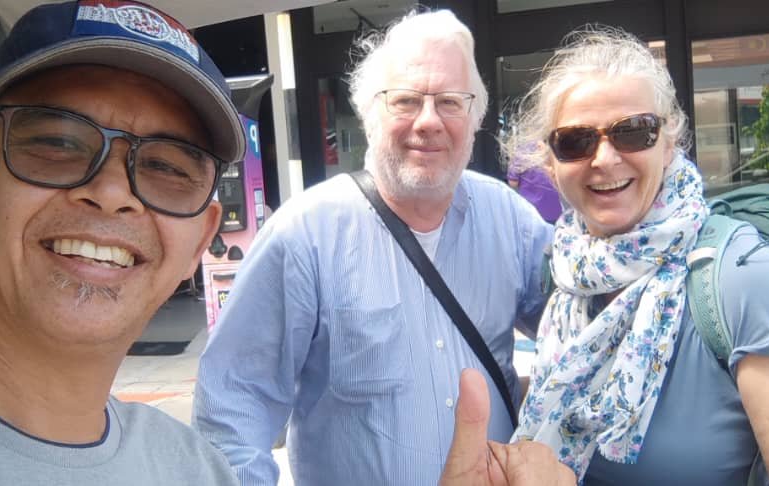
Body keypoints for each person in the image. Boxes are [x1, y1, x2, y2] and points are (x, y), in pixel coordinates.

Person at [0, 1, 244, 484]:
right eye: (58, 143)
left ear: (199, 242)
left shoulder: (196, 470)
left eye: (167, 168)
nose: (112, 193)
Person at [194, 10, 560, 486]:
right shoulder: (304, 236)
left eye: (450, 102)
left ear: (474, 120)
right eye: (405, 100)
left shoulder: (510, 222)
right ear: (368, 114)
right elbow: (233, 410)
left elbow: (579, 327)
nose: (428, 121)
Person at [504, 27, 769, 485]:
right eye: (575, 141)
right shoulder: (568, 278)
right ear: (550, 163)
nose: (604, 158)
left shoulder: (744, 280)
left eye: (633, 132)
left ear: (668, 144)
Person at [506, 143, 563, 223]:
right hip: (555, 210)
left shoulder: (520, 152)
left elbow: (513, 183)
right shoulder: (554, 146)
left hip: (531, 212)